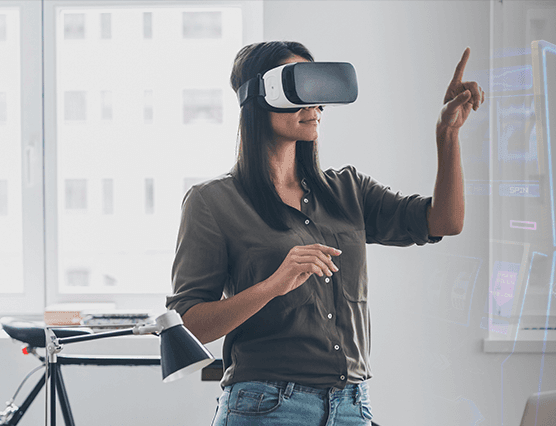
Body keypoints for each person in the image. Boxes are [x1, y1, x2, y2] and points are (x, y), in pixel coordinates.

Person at [165, 40, 484, 426]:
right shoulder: (212, 202)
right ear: (260, 96)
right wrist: (273, 284)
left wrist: (447, 135)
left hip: (352, 405)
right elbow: (190, 324)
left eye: (320, 93)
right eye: (301, 89)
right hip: (267, 407)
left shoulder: (348, 190)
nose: (316, 106)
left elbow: (444, 222)